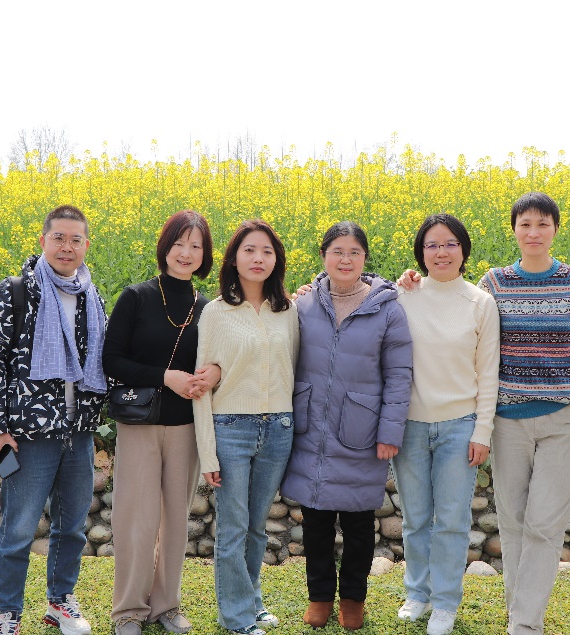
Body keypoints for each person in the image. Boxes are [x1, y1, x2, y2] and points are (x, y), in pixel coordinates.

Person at [400, 192, 570, 635]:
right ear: (513, 230)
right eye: (525, 224)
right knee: (511, 523)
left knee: (544, 524)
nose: (534, 232)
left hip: (564, 417)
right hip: (510, 419)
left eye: (543, 224)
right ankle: (517, 614)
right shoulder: (493, 283)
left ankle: (525, 623)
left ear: (555, 229)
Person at [0, 205, 109, 635]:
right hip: (29, 434)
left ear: (86, 245)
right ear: (43, 240)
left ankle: (60, 601)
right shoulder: (12, 293)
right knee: (18, 530)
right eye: (59, 238)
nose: (67, 247)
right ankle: (8, 614)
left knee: (72, 528)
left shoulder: (91, 297)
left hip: (77, 432)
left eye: (76, 239)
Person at [280, 221, 412, 631]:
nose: (345, 259)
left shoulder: (387, 309)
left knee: (358, 525)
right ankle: (319, 597)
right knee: (315, 523)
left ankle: (353, 599)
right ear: (324, 256)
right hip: (311, 429)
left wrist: (390, 431)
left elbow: (399, 375)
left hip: (362, 430)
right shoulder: (304, 304)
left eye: (354, 252)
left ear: (365, 258)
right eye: (337, 251)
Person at [102, 210, 220, 635]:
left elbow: (221, 359)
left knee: (175, 521)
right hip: (140, 425)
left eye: (196, 246)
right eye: (179, 243)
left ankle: (166, 605)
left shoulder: (209, 308)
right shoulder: (136, 297)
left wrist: (212, 374)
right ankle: (128, 611)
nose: (186, 253)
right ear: (165, 247)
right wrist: (164, 377)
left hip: (186, 426)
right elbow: (111, 360)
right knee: (136, 519)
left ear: (205, 255)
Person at [392, 214, 500, 635]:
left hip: (460, 426)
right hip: (410, 426)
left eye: (450, 244)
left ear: (463, 250)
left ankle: (445, 603)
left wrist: (482, 431)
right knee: (415, 519)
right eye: (432, 245)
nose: (441, 252)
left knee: (452, 521)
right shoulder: (403, 296)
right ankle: (417, 593)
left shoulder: (480, 303)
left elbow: (488, 372)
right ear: (421, 252)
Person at [193, 219, 300, 635]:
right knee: (234, 527)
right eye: (250, 250)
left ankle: (251, 601)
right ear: (234, 259)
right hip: (231, 429)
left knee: (256, 526)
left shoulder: (287, 311)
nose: (259, 258)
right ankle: (236, 618)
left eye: (267, 252)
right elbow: (201, 385)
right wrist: (207, 452)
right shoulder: (215, 312)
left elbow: (291, 369)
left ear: (277, 261)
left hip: (278, 429)